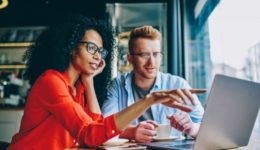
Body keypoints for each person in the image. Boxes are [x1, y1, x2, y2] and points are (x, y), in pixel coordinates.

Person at [7, 16, 202, 150]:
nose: (97, 56)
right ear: (72, 48)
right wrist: (148, 100)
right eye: (91, 48)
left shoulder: (79, 88)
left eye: (100, 51)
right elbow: (90, 134)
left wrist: (89, 81)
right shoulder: (52, 81)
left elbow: (97, 130)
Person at [102, 25, 205, 143]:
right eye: (144, 55)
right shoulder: (117, 85)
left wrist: (192, 128)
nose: (152, 62)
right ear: (130, 58)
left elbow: (207, 127)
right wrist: (132, 132)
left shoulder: (178, 84)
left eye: (156, 54)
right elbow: (103, 127)